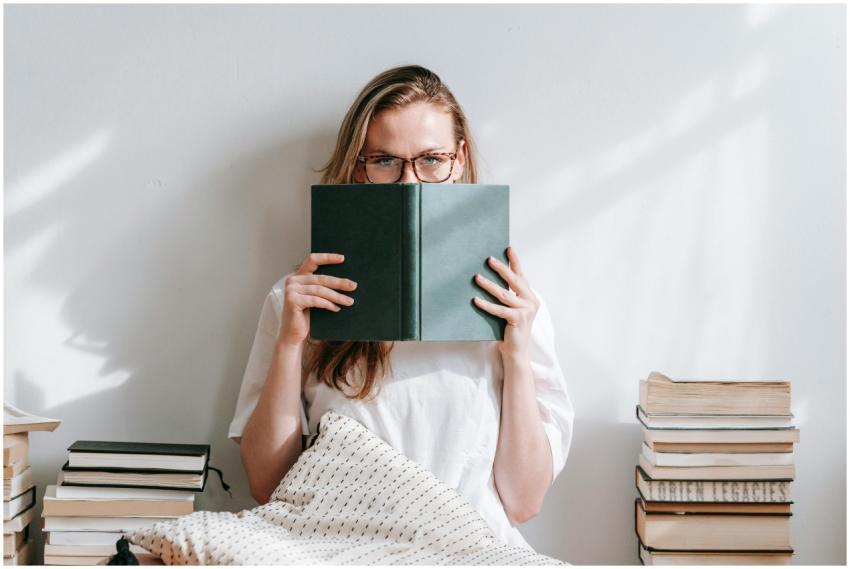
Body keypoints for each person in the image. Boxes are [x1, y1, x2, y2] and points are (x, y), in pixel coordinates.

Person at [228, 64, 574, 552]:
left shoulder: (513, 305)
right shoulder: (297, 300)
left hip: (469, 550)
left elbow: (524, 500)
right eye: (386, 161)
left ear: (459, 159)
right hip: (337, 548)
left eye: (431, 159)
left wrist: (516, 353)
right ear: (358, 167)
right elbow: (267, 486)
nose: (410, 183)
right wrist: (290, 343)